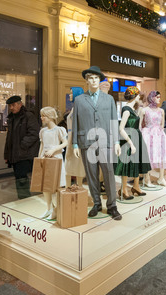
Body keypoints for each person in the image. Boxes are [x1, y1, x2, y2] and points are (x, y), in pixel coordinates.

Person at [72, 66, 122, 220]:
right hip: (86, 142)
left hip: (106, 141)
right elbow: (75, 122)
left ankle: (112, 205)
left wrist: (116, 142)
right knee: (91, 175)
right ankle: (97, 203)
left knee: (108, 173)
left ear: (100, 80)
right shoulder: (80, 100)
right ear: (86, 81)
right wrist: (74, 143)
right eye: (90, 78)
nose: (93, 81)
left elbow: (114, 121)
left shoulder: (109, 99)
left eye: (96, 78)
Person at [114, 87, 151, 199]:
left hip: (136, 137)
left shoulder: (133, 110)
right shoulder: (126, 110)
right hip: (128, 139)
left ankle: (136, 186)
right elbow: (121, 128)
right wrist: (130, 143)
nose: (140, 98)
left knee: (137, 163)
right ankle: (124, 189)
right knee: (127, 164)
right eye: (139, 95)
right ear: (135, 96)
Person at [4, 96, 40, 199]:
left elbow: (34, 133)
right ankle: (23, 199)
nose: (11, 107)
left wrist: (22, 145)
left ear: (20, 104)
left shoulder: (28, 116)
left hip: (24, 154)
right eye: (10, 105)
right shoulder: (11, 118)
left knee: (22, 179)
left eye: (13, 105)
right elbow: (9, 138)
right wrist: (7, 154)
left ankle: (24, 200)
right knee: (19, 178)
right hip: (15, 154)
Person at [39, 106, 68, 219]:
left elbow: (65, 142)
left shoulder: (59, 130)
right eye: (41, 116)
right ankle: (49, 208)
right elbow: (42, 145)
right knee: (46, 186)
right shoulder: (43, 131)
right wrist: (39, 157)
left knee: (56, 186)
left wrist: (54, 149)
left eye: (44, 116)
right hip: (45, 160)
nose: (42, 118)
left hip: (56, 158)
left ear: (50, 117)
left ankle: (56, 209)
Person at [139, 90, 166, 186]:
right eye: (157, 97)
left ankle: (161, 178)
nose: (159, 99)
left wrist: (159, 133)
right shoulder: (144, 110)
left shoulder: (161, 111)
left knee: (162, 155)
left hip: (159, 134)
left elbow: (162, 125)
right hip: (148, 134)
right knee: (148, 156)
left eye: (159, 97)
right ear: (152, 98)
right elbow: (140, 125)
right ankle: (147, 179)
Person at [65, 87, 86, 187]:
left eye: (71, 93)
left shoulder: (80, 108)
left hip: (75, 139)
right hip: (71, 137)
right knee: (70, 165)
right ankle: (69, 188)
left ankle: (79, 188)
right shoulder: (74, 108)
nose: (69, 95)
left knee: (77, 164)